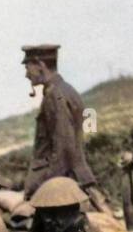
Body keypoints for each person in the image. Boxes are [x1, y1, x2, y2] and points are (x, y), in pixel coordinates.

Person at [20, 44, 107, 211]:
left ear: (40, 64)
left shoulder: (55, 95)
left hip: (60, 186)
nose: (26, 74)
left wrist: (46, 190)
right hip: (68, 181)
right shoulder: (64, 90)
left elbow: (63, 151)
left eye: (27, 67)